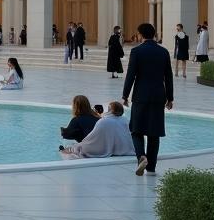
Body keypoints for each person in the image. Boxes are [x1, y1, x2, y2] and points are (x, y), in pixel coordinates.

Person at [122, 22, 174, 175]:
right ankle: (151, 166)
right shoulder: (163, 52)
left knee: (136, 129)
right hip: (159, 96)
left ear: (141, 35)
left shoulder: (137, 51)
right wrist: (170, 98)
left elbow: (131, 75)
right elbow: (168, 77)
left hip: (141, 95)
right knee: (154, 132)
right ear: (154, 34)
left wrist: (125, 95)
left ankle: (141, 157)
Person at [60, 101, 134, 159]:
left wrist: (80, 145)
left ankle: (67, 150)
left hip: (109, 148)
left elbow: (92, 138)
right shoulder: (126, 120)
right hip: (126, 149)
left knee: (78, 147)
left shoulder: (104, 121)